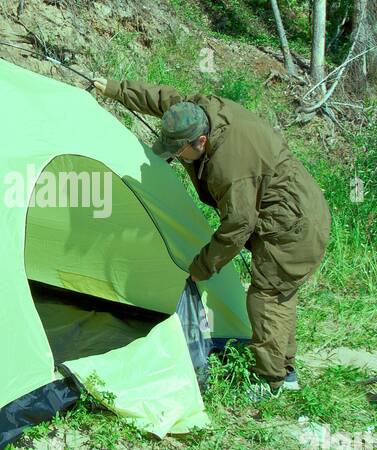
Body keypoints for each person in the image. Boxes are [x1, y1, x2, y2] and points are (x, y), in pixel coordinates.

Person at [93, 77, 330, 396]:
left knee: (267, 297)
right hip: (292, 207)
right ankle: (285, 371)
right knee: (279, 295)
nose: (176, 157)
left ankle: (272, 382)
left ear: (200, 141)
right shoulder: (197, 111)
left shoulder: (229, 168)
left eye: (180, 152)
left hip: (294, 225)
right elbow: (164, 98)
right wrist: (113, 88)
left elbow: (237, 228)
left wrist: (201, 268)